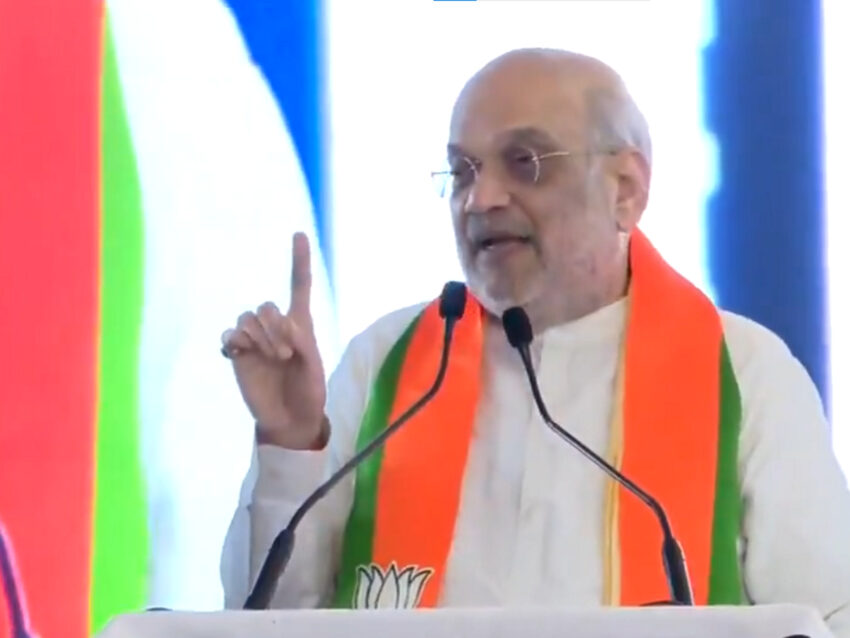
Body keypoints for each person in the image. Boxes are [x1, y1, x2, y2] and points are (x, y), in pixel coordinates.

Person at [218, 49, 850, 634]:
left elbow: (826, 618)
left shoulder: (743, 372)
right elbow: (269, 624)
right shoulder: (388, 364)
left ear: (626, 189)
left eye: (527, 162)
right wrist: (290, 443)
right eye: (462, 170)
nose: (481, 199)